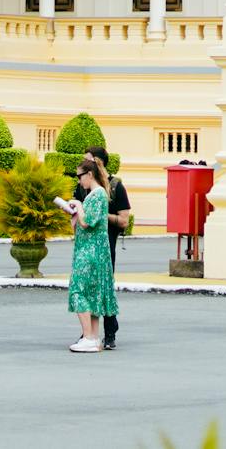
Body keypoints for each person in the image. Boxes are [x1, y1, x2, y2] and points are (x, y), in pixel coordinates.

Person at [59, 156, 116, 352]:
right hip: (91, 250)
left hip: (90, 251)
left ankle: (89, 336)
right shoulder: (95, 195)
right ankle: (92, 337)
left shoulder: (97, 194)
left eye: (80, 176)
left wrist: (79, 206)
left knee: (78, 291)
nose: (79, 180)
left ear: (89, 174)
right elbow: (82, 223)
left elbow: (87, 222)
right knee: (91, 293)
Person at [86, 144, 131, 349]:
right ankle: (89, 332)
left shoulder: (115, 186)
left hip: (106, 244)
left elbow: (123, 221)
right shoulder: (83, 185)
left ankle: (110, 330)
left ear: (99, 162)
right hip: (87, 245)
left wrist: (101, 215)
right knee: (87, 287)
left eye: (88, 160)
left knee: (104, 286)